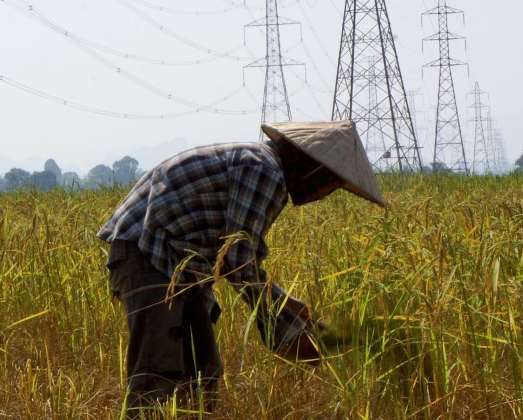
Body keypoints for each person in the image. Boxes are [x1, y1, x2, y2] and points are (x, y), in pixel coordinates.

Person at [97, 120, 385, 415]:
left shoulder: (262, 165)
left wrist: (287, 305)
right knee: (156, 375)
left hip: (179, 266)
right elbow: (238, 261)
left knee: (203, 371)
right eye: (330, 184)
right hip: (149, 255)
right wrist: (286, 332)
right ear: (311, 167)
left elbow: (235, 256)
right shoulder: (264, 170)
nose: (322, 195)